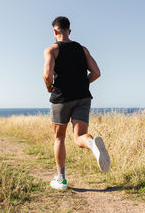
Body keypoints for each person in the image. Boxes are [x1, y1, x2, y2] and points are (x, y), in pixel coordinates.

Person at [42, 16, 110, 190]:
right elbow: (96, 72)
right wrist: (82, 83)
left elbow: (47, 75)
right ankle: (91, 144)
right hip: (83, 97)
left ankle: (61, 180)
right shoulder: (82, 49)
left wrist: (49, 87)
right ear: (69, 31)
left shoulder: (52, 49)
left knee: (59, 137)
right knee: (79, 136)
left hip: (62, 98)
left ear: (54, 31)